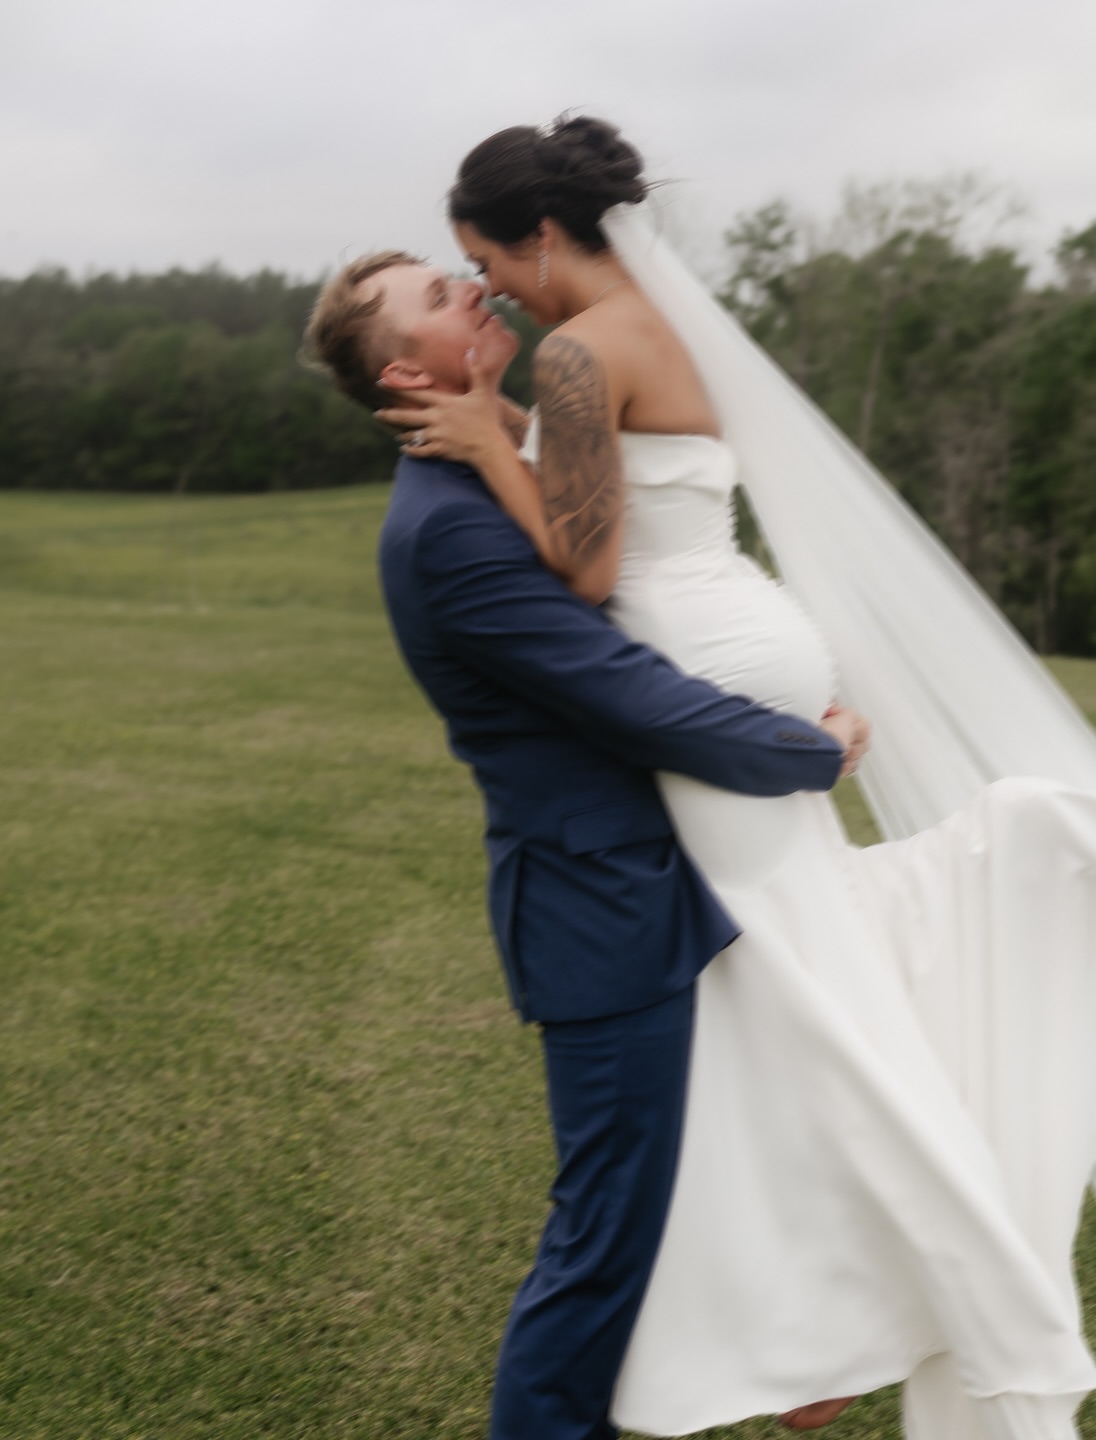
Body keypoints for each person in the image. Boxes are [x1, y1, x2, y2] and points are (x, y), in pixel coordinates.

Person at [375, 116, 1096, 1440]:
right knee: (799, 984)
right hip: (751, 638)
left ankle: (872, 1300)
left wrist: (492, 448)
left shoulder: (583, 352)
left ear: (542, 235)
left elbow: (589, 569)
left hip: (707, 676)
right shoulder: (659, 323)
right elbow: (624, 480)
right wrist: (507, 420)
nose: (493, 292)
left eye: (488, 264)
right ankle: (836, 1314)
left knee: (792, 1009)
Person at [303, 252, 873, 1440]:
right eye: (439, 296)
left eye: (461, 272)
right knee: (607, 1240)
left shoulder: (496, 466)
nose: (472, 289)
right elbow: (628, 696)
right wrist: (809, 751)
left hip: (669, 878)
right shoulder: (446, 532)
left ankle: (800, 1355)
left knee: (704, 1187)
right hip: (598, 909)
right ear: (405, 373)